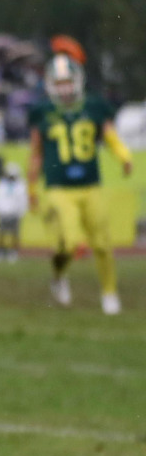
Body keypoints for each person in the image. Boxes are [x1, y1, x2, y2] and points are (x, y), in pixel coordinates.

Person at [28, 54, 132, 313]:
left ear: (78, 81)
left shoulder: (95, 106)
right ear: (51, 84)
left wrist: (123, 155)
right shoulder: (43, 111)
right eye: (59, 82)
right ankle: (59, 277)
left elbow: (109, 136)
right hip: (59, 187)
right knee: (72, 242)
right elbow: (36, 153)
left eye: (68, 81)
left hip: (90, 184)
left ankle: (109, 293)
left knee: (103, 244)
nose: (64, 87)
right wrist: (31, 188)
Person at [0, 163, 26, 262]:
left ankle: (13, 252)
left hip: (14, 213)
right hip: (3, 212)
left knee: (14, 234)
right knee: (1, 234)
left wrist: (21, 212)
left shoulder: (20, 185)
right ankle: (0, 251)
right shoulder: (2, 185)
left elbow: (22, 200)